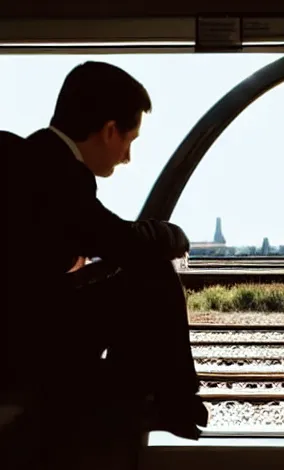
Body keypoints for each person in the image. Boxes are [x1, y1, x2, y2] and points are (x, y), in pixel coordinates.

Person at [6, 61, 208, 440]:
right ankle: (177, 400)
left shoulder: (24, 158)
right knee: (152, 274)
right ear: (109, 130)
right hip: (21, 351)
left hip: (17, 332)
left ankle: (148, 395)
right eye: (129, 141)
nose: (127, 157)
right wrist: (173, 236)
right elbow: (121, 241)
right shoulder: (57, 171)